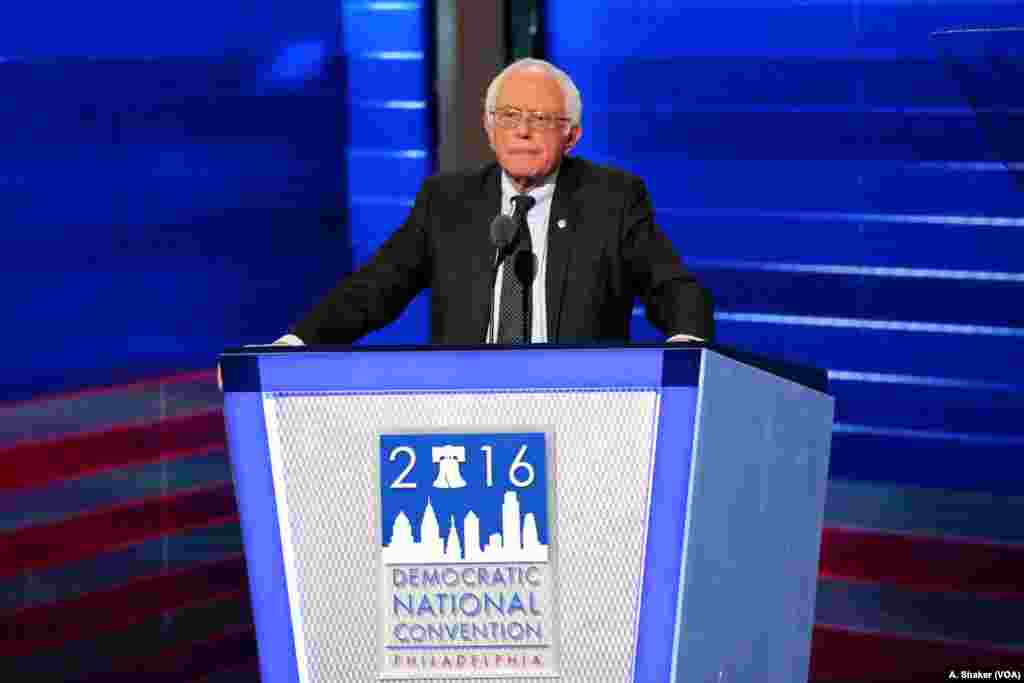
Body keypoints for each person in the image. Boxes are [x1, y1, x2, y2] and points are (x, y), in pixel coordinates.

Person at [284, 58, 713, 347]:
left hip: (580, 407)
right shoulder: (447, 201)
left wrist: (687, 341)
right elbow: (378, 287)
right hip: (467, 414)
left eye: (541, 119)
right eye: (508, 116)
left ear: (572, 135)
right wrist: (297, 343)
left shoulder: (612, 198)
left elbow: (671, 286)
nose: (522, 131)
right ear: (489, 128)